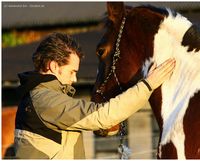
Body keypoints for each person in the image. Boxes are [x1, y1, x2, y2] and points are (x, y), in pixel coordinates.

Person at [14, 32, 176, 159]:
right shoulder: (45, 100)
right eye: (72, 72)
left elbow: (93, 121)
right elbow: (102, 115)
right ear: (54, 66)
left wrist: (106, 127)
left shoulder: (40, 98)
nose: (74, 79)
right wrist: (148, 84)